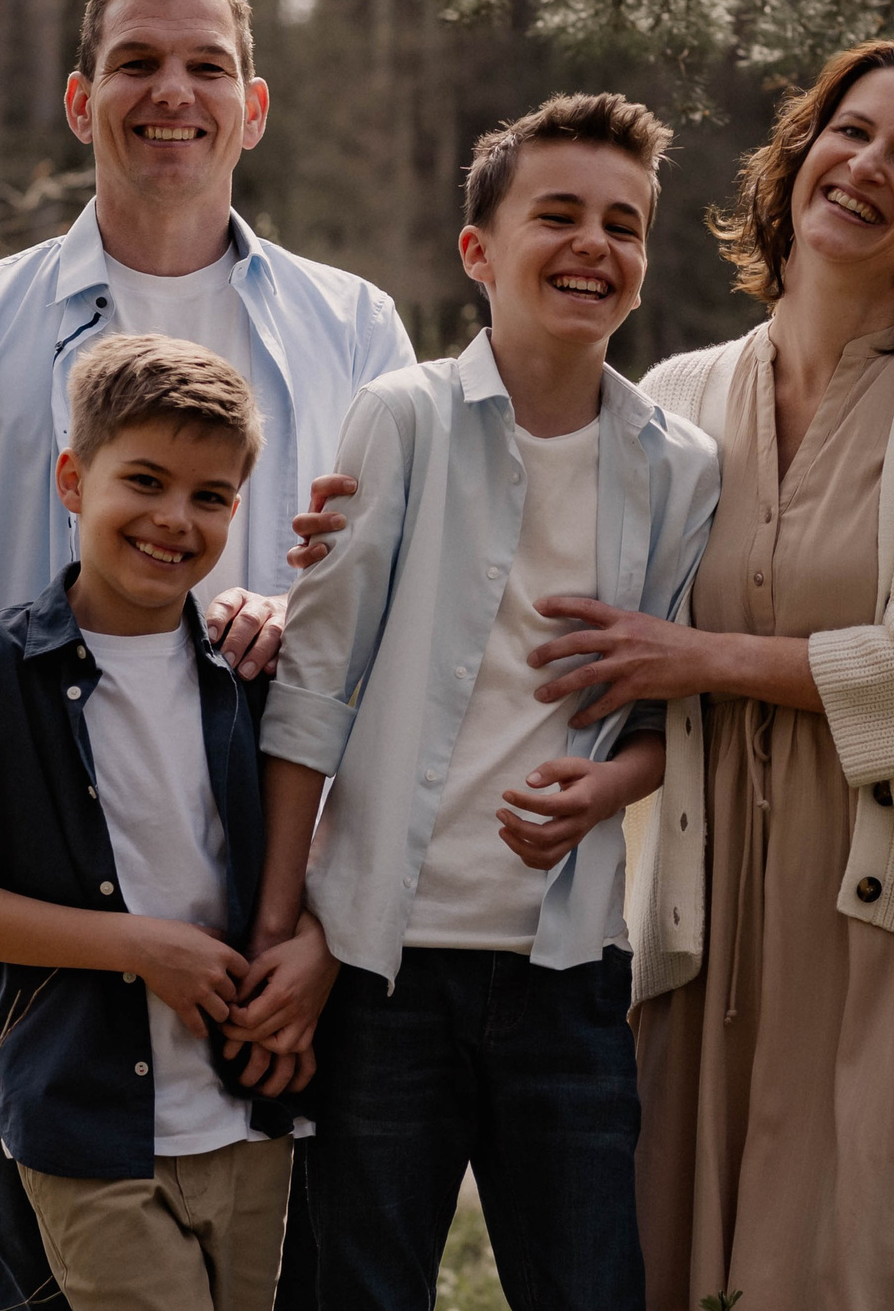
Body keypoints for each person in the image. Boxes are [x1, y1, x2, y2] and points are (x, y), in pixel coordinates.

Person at [0, 0, 413, 1310]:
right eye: (142, 63)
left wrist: (329, 919)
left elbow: (405, 627)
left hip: (289, 951)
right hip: (49, 966)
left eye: (206, 63)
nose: (175, 93)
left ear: (253, 105)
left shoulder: (358, 326)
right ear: (82, 96)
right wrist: (4, 858)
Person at [516, 41, 894, 1311]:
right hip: (703, 928)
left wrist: (706, 655)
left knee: (884, 1271)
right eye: (850, 131)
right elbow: (556, 610)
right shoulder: (673, 397)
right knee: (677, 1270)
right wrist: (326, 552)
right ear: (800, 157)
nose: (866, 166)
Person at [255, 93, 721, 1311]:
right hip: (377, 970)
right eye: (556, 214)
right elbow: (314, 683)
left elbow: (668, 707)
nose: (592, 244)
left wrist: (610, 786)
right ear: (479, 250)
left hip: (567, 973)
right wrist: (279, 928)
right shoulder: (403, 417)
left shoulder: (679, 465)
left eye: (622, 223)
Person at [0, 335, 334, 1311]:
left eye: (211, 495)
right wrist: (143, 947)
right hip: (89, 1120)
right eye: (144, 479)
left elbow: (324, 841)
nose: (174, 518)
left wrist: (318, 950)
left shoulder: (251, 669)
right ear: (71, 476)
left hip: (257, 1113)